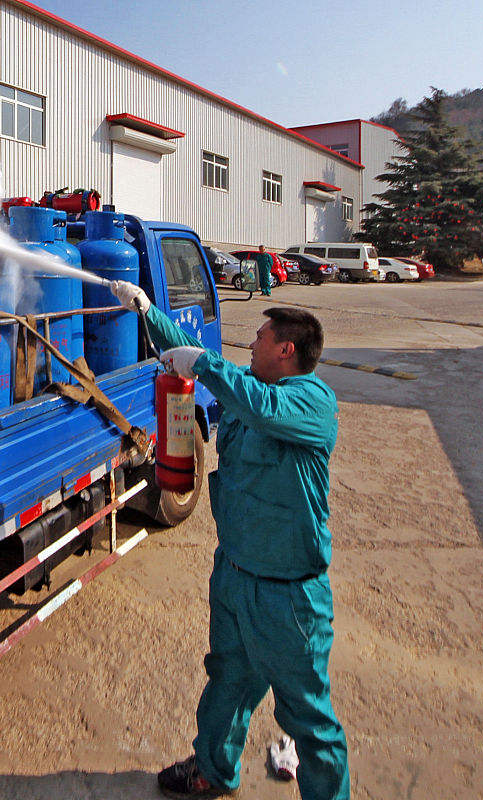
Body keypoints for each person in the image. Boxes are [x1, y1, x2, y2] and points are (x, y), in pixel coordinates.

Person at [110, 281, 349, 800]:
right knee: (227, 683)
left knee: (309, 718)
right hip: (236, 577)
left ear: (286, 349)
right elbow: (208, 366)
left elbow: (254, 401)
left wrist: (204, 366)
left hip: (289, 597)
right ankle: (214, 770)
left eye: (260, 336)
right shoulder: (249, 389)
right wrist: (148, 311)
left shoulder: (310, 401)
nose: (251, 343)